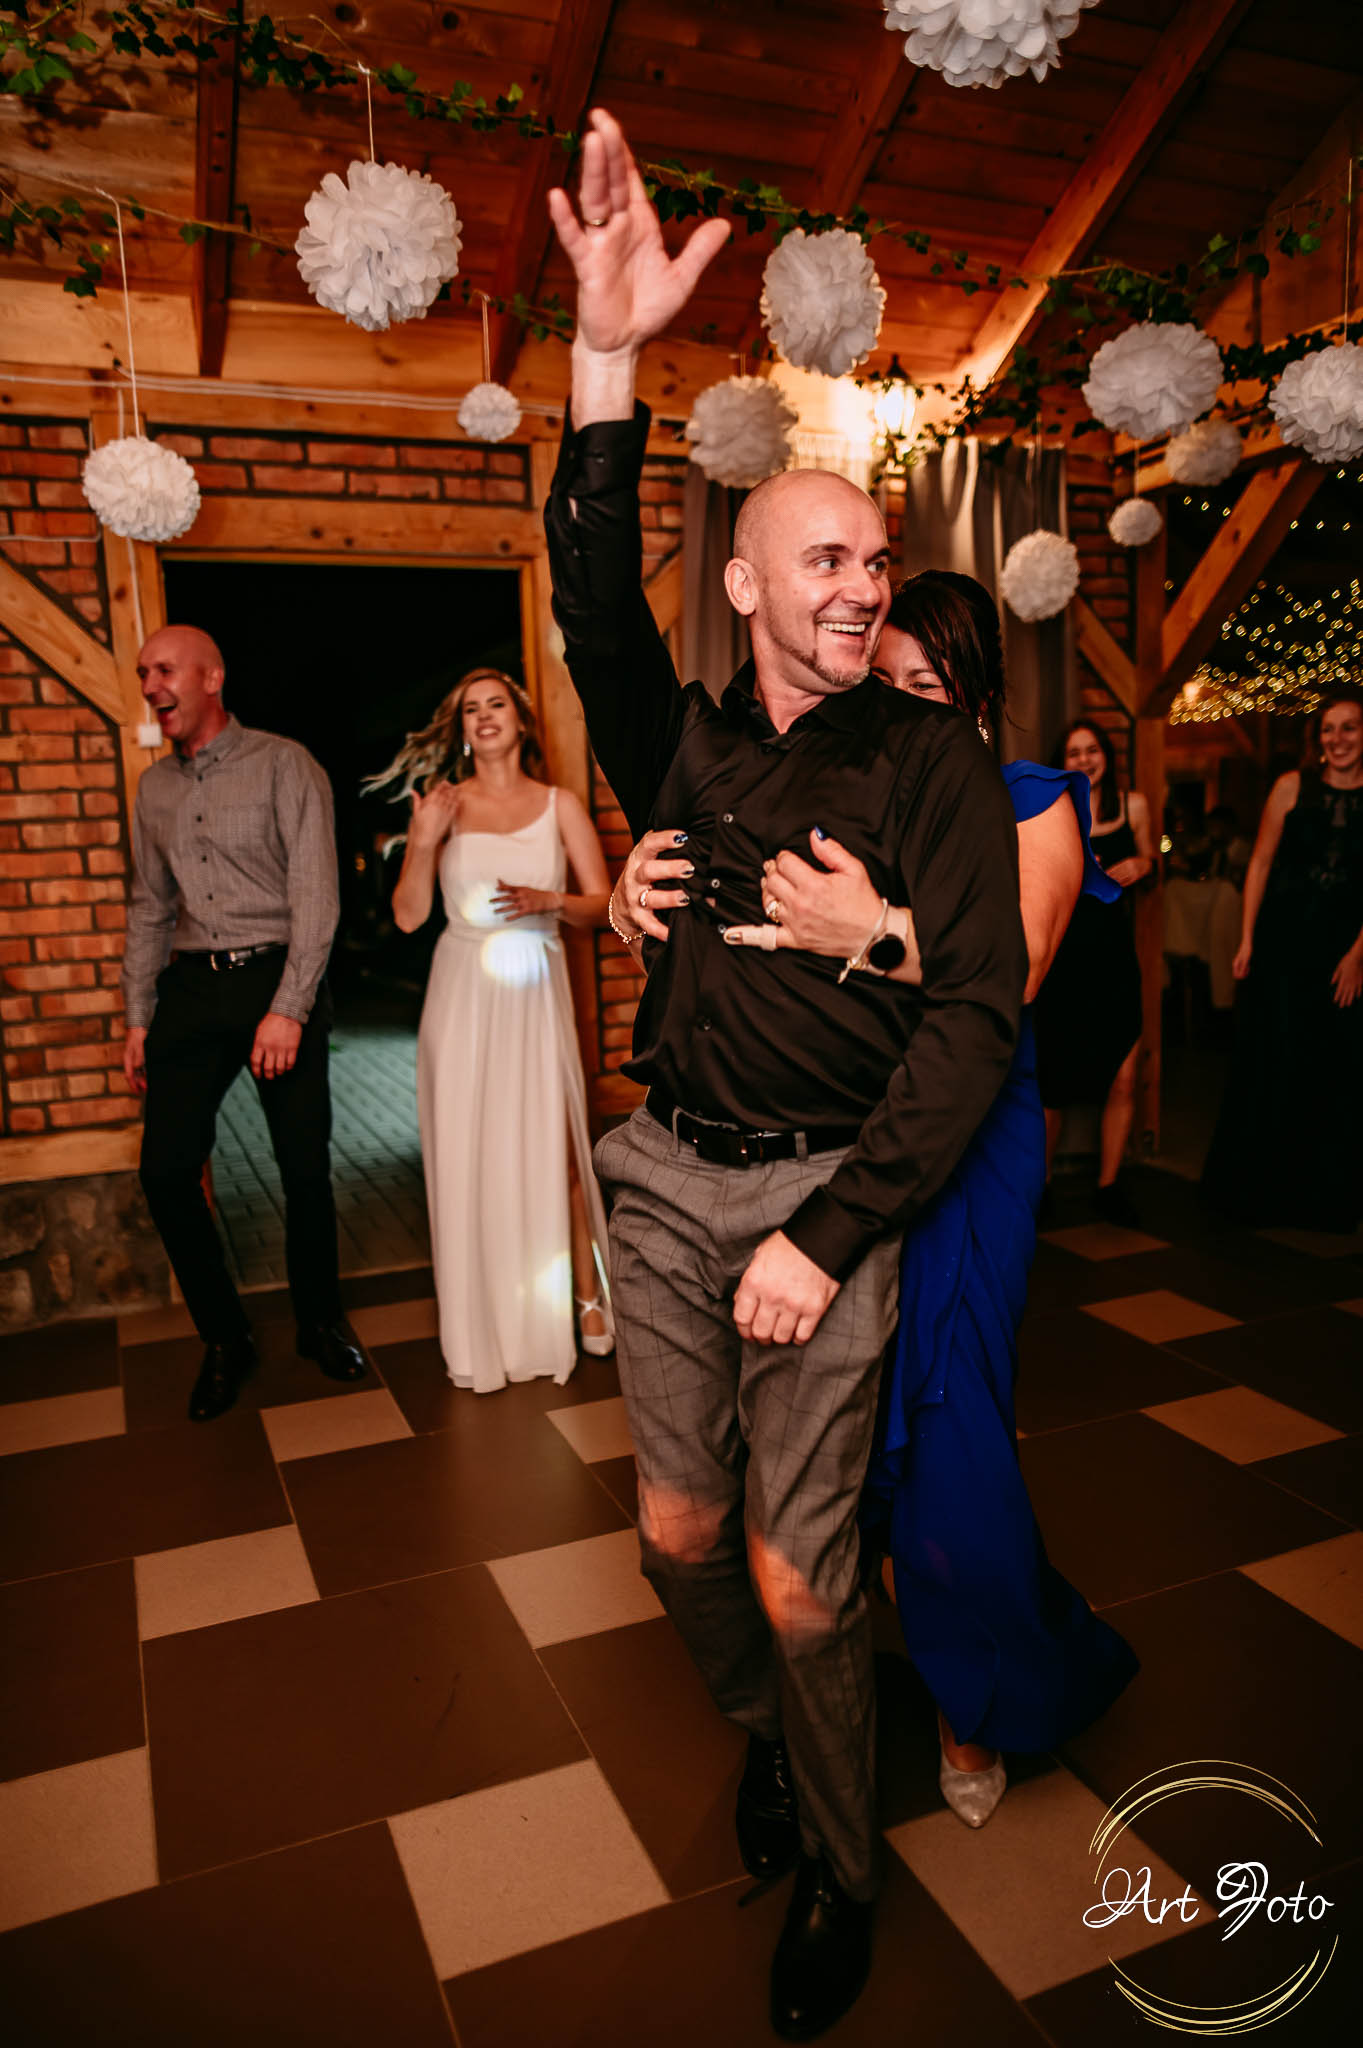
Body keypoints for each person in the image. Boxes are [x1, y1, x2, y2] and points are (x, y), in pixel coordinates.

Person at [545, 111, 1027, 2040]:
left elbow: (975, 1016)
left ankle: (840, 1863)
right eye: (822, 558)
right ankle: (774, 1730)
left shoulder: (932, 771)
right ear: (743, 585)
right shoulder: (682, 752)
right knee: (676, 1536)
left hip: (831, 1197)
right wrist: (603, 360)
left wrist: (827, 1237)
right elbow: (589, 593)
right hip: (664, 1175)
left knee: (804, 1569)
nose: (858, 586)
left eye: (875, 562)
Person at [618, 572, 1138, 1833]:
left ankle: (981, 1694)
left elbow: (1010, 977)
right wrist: (642, 883)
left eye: (925, 688)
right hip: (853, 1147)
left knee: (949, 1440)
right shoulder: (847, 778)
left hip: (970, 1143)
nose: (897, 706)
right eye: (880, 681)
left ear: (973, 699)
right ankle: (828, 1680)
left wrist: (866, 924)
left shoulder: (1028, 799)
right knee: (836, 1462)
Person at [122, 625, 366, 1422]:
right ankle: (225, 1338)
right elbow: (149, 908)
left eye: (164, 670)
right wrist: (137, 1018)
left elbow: (316, 896)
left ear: (211, 676)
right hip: (191, 987)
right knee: (166, 1171)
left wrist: (288, 1009)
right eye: (144, 674)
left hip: (276, 972)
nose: (150, 686)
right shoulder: (153, 790)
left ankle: (319, 1322)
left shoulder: (285, 764)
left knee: (302, 1166)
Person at [376, 667, 615, 1389]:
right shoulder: (444, 803)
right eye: (470, 709)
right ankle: (482, 1324)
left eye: (496, 704)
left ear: (520, 720)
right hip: (462, 995)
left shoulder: (559, 804)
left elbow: (606, 906)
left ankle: (584, 1297)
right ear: (461, 731)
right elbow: (409, 917)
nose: (484, 716)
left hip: (535, 989)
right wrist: (423, 840)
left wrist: (549, 899)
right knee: (468, 1155)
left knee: (556, 1150)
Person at [1202, 688, 1363, 1231]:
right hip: (1284, 944)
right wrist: (1247, 939)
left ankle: (1324, 1198)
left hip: (1343, 950)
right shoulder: (1291, 786)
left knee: (1335, 1066)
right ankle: (1266, 1194)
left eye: (1349, 727)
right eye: (1329, 729)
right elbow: (1261, 863)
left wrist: (1358, 955)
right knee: (1279, 1058)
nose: (1337, 739)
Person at [1031, 719, 1154, 1224]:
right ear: (1062, 762)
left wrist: (1144, 864)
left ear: (1106, 754)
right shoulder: (1052, 810)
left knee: (1123, 1078)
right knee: (1051, 1088)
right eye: (1074, 752)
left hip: (1114, 960)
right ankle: (1041, 1189)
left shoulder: (1133, 805)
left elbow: (1150, 856)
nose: (1084, 759)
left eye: (1092, 750)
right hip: (1062, 961)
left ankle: (1108, 1186)